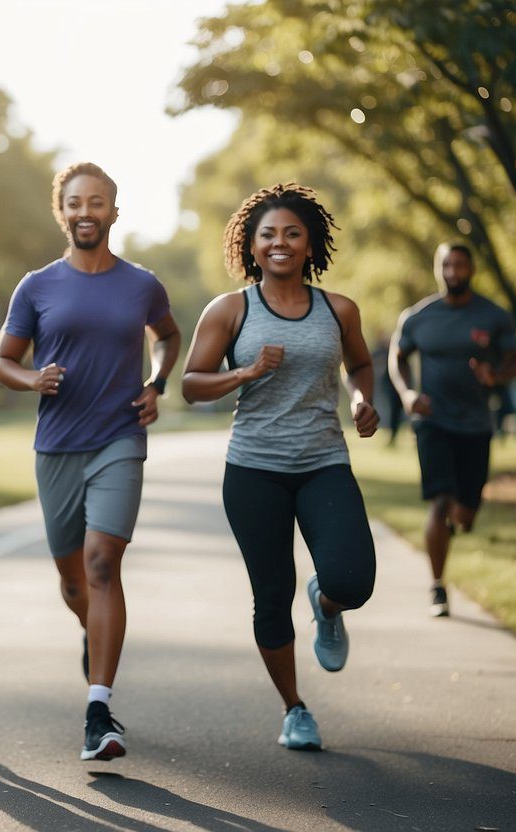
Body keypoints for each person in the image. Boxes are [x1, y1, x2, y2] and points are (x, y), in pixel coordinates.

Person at [0, 162, 181, 762]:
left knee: (102, 566)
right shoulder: (37, 286)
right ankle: (92, 632)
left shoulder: (142, 284)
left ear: (114, 213)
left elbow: (169, 336)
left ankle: (98, 708)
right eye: (75, 202)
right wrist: (30, 379)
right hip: (57, 446)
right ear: (62, 211)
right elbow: (3, 361)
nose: (85, 212)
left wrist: (157, 382)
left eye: (97, 202)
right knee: (74, 579)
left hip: (120, 436)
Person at [181, 183, 379, 752]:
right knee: (271, 595)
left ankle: (328, 603)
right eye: (268, 234)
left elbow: (361, 364)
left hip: (323, 463)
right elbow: (192, 384)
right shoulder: (230, 310)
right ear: (252, 244)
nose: (280, 243)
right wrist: (242, 374)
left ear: (310, 240)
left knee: (352, 580)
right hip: (254, 470)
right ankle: (295, 709)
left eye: (292, 232)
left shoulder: (338, 309)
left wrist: (364, 399)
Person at [388, 242, 516, 617]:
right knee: (439, 501)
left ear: (471, 269)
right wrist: (407, 393)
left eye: (460, 265)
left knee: (464, 513)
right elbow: (397, 357)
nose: (453, 272)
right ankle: (438, 586)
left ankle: (456, 524)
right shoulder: (418, 317)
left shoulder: (493, 316)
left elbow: (514, 360)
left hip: (476, 424)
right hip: (431, 420)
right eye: (446, 265)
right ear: (438, 268)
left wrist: (495, 374)